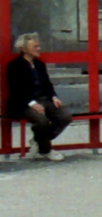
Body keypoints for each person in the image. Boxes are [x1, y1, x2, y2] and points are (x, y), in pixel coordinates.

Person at [5, 33, 71, 162]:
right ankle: (45, 150)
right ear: (24, 49)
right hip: (23, 103)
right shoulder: (14, 66)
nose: (39, 49)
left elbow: (47, 84)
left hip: (44, 99)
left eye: (39, 46)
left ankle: (38, 140)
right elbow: (16, 90)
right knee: (41, 120)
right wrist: (32, 103)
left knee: (65, 116)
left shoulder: (40, 64)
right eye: (35, 46)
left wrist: (54, 97)